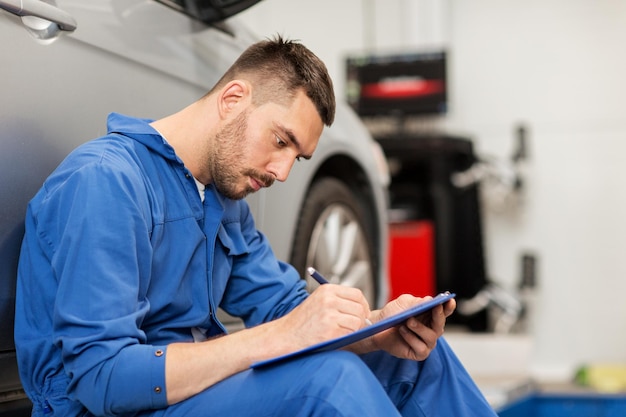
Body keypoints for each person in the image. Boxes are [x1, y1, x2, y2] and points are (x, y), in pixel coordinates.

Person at [15, 36, 498, 417]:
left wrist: (373, 330)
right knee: (329, 382)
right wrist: (281, 337)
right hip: (112, 408)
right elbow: (103, 378)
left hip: (192, 395)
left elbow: (283, 306)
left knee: (415, 361)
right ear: (233, 98)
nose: (282, 171)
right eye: (281, 140)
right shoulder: (107, 181)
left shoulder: (222, 200)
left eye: (297, 156)